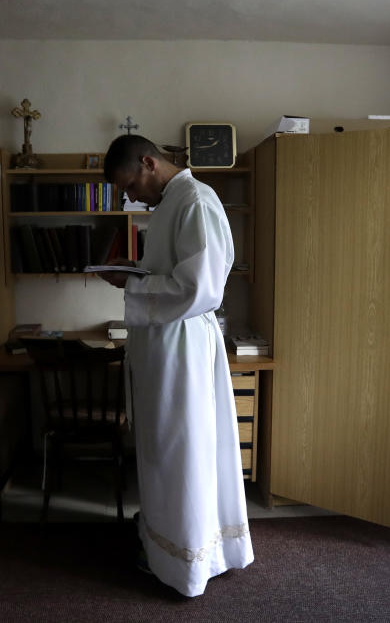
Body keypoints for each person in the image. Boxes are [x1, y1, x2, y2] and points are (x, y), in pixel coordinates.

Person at [98, 134, 253, 597]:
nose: (129, 196)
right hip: (164, 346)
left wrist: (132, 283)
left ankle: (189, 562)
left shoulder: (196, 201)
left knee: (184, 451)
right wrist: (135, 271)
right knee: (164, 449)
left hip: (183, 348)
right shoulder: (168, 204)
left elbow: (200, 287)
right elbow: (170, 273)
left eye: (129, 184)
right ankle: (164, 546)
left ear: (148, 162)